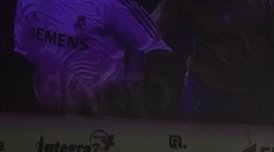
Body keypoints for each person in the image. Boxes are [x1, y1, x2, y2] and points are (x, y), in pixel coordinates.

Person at [13, 0, 171, 116]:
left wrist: (132, 93)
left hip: (100, 117)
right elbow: (23, 54)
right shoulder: (27, 2)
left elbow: (156, 48)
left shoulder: (114, 5)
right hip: (42, 115)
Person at [152, 0, 274, 122]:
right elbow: (152, 29)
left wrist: (267, 86)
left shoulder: (268, 3)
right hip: (200, 88)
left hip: (248, 93)